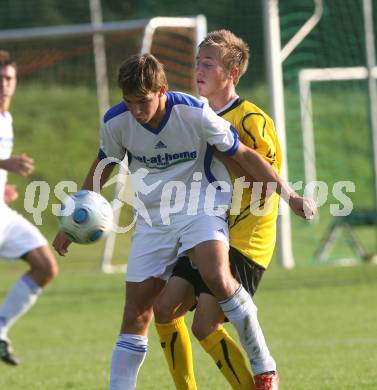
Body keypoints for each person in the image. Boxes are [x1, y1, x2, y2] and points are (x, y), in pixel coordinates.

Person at [52, 53, 315, 390]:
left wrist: (289, 195)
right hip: (153, 220)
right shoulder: (117, 121)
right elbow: (103, 167)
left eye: (143, 101)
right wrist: (70, 225)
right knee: (137, 312)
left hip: (201, 206)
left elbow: (246, 155)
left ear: (162, 90)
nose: (136, 110)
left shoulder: (193, 112)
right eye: (129, 101)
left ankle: (264, 367)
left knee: (216, 273)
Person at [153, 29, 287, 390]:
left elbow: (266, 183)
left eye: (209, 64)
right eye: (198, 62)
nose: (199, 69)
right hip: (205, 229)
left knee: (204, 325)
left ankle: (257, 380)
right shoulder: (194, 115)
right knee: (164, 309)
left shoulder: (251, 121)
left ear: (232, 73)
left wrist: (226, 152)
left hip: (245, 237)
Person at [0, 50, 59, 366]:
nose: (4, 85)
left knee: (45, 266)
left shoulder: (5, 117)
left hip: (2, 215)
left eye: (8, 78)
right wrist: (4, 163)